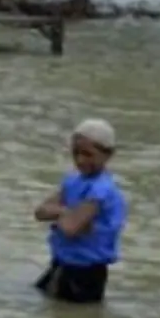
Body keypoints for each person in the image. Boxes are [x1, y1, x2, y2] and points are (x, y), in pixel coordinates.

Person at [33, 119, 127, 304]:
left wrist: (61, 214)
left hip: (85, 274)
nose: (80, 160)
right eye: (76, 153)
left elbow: (69, 228)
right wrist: (69, 212)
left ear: (108, 155)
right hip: (62, 264)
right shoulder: (74, 180)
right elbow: (40, 212)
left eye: (88, 154)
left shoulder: (102, 190)